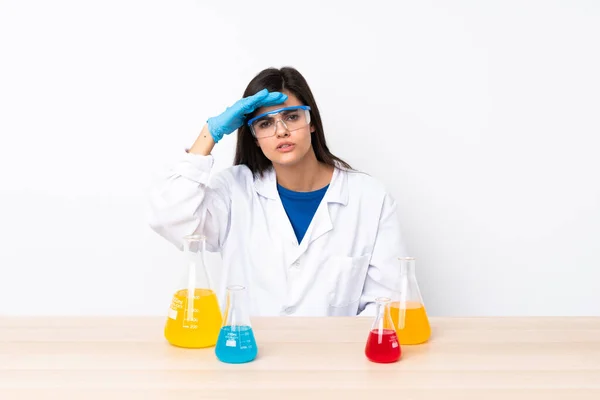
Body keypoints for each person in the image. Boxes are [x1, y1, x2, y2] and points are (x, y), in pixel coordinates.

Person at [147, 66, 408, 317]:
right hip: (247, 357)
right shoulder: (233, 190)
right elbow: (172, 220)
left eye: (291, 117)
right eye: (265, 124)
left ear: (311, 123)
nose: (281, 131)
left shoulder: (369, 198)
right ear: (255, 137)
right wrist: (210, 134)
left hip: (335, 357)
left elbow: (389, 303)